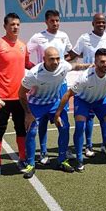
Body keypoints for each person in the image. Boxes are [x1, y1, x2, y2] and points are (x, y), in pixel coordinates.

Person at [55, 48, 106, 171]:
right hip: (83, 101)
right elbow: (68, 94)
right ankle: (79, 159)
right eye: (102, 62)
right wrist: (58, 113)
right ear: (96, 62)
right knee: (80, 125)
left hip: (100, 101)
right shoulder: (85, 76)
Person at [18, 47, 90, 178]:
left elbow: (75, 66)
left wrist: (91, 66)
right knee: (32, 131)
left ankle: (62, 160)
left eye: (58, 58)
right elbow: (21, 94)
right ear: (44, 59)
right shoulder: (33, 74)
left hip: (54, 103)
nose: (56, 62)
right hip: (36, 104)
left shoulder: (63, 66)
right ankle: (31, 164)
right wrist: (28, 114)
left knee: (64, 127)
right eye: (52, 59)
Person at [0, 12, 34, 176]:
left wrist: (46, 68)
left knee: (21, 129)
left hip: (19, 97)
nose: (15, 27)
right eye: (12, 24)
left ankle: (22, 158)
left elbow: (28, 64)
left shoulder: (23, 45)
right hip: (2, 99)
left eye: (18, 24)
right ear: (5, 26)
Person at [27, 9, 73, 162]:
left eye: (57, 20)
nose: (55, 23)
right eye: (52, 21)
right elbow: (24, 54)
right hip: (44, 83)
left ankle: (64, 151)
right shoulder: (38, 37)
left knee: (62, 120)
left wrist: (61, 64)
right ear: (46, 22)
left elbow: (71, 53)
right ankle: (43, 151)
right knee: (44, 120)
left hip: (61, 83)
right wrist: (35, 68)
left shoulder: (64, 36)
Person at [67, 13, 106, 157]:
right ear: (93, 23)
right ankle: (88, 146)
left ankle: (105, 143)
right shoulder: (84, 38)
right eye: (98, 22)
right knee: (88, 116)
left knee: (105, 113)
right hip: (88, 82)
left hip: (104, 82)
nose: (101, 24)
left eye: (103, 22)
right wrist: (60, 62)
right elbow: (74, 54)